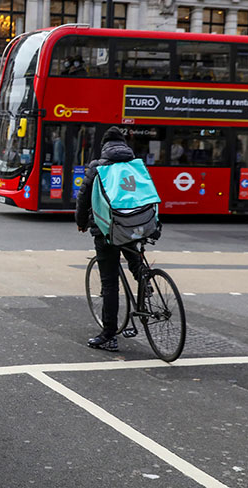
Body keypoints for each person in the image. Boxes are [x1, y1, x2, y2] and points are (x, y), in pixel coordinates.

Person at [75, 126, 144, 352]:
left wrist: (81, 222)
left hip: (107, 230)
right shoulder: (135, 166)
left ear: (104, 146)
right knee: (135, 259)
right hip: (135, 225)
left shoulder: (97, 167)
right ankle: (146, 284)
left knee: (110, 283)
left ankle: (109, 335)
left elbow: (84, 198)